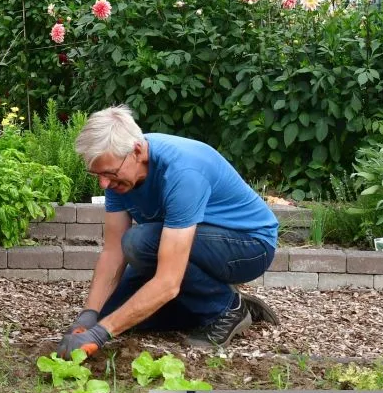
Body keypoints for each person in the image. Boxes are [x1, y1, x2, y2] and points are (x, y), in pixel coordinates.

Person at [56, 105, 280, 357]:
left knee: (139, 243)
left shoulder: (182, 173)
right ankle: (206, 303)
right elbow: (112, 251)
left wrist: (100, 335)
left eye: (109, 173)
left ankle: (226, 308)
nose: (104, 183)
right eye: (97, 175)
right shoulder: (118, 173)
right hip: (186, 242)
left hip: (250, 246)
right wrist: (89, 316)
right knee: (109, 312)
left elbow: (168, 281)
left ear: (137, 151)